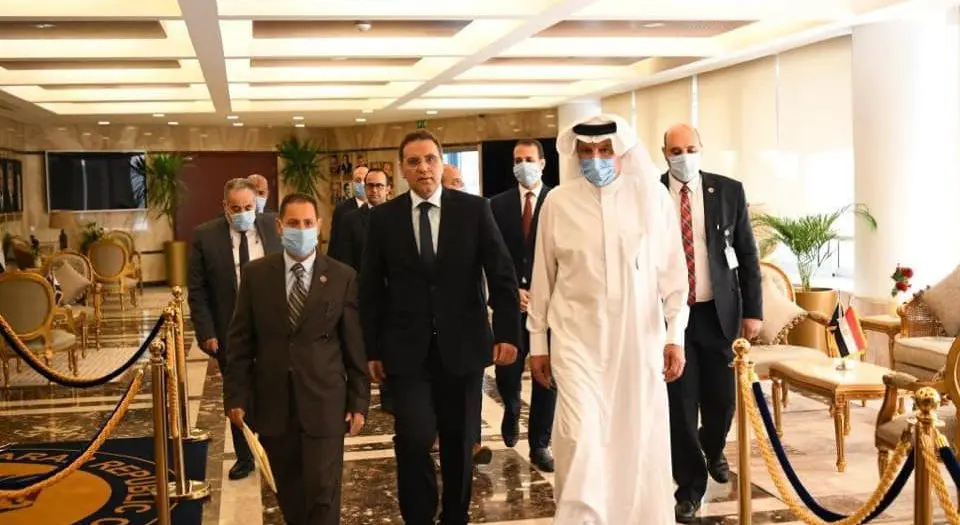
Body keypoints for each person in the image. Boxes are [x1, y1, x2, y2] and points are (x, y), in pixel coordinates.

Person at [526, 114, 689, 525]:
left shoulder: (651, 200)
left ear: (621, 152)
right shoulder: (558, 203)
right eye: (586, 151)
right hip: (575, 343)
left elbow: (673, 277)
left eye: (604, 150)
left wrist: (675, 336)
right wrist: (537, 344)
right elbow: (543, 278)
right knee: (579, 437)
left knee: (634, 440)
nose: (595, 158)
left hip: (637, 343)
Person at [360, 129, 521, 525]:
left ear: (441, 162)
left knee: (458, 440)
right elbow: (371, 288)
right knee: (414, 437)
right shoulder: (383, 219)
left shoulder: (474, 210)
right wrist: (372, 348)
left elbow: (501, 274)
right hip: (406, 350)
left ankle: (454, 516)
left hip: (462, 346)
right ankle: (419, 516)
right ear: (402, 170)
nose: (423, 168)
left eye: (430, 159)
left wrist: (507, 332)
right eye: (414, 161)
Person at [225, 192, 369, 525]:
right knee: (290, 496)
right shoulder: (256, 275)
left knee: (323, 494)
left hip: (325, 403)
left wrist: (359, 400)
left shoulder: (342, 276)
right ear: (279, 227)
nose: (300, 230)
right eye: (293, 223)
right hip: (274, 405)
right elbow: (241, 342)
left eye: (307, 223)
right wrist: (235, 396)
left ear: (319, 225)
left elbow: (354, 345)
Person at [660, 123, 763, 522]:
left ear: (701, 149)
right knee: (681, 405)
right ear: (664, 154)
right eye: (675, 151)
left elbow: (747, 254)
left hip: (719, 314)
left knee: (721, 402)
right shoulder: (651, 193)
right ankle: (689, 488)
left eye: (690, 149)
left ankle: (714, 446)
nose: (683, 157)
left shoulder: (728, 191)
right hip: (673, 319)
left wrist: (753, 311)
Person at [187, 178, 282, 481]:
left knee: (274, 389)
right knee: (237, 392)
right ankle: (245, 456)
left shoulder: (274, 227)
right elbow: (197, 290)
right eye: (236, 208)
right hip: (230, 328)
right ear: (225, 207)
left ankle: (274, 451)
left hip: (272, 326)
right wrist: (206, 332)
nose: (242, 213)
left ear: (257, 205)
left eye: (248, 207)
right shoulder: (205, 236)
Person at [489, 139, 556, 472]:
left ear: (542, 163)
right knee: (507, 370)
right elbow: (491, 257)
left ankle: (540, 443)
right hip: (509, 305)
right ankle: (512, 408)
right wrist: (511, 291)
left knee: (546, 376)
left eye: (529, 159)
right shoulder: (496, 206)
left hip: (550, 308)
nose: (523, 165)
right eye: (518, 160)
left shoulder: (557, 202)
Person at [328, 166, 368, 259]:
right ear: (352, 183)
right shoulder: (342, 209)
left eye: (365, 180)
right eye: (358, 180)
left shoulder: (379, 207)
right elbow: (335, 242)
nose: (362, 183)